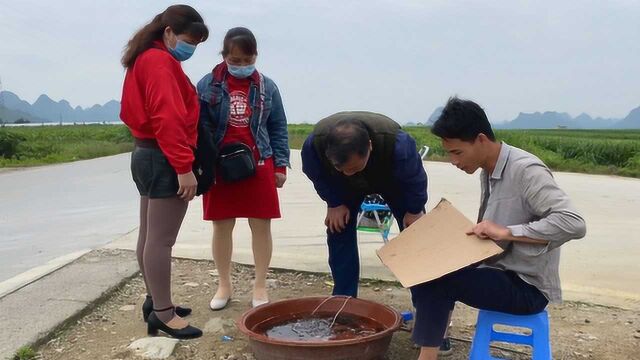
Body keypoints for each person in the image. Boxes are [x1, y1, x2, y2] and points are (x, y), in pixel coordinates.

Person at [410, 97, 587, 360]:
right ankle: (437, 337)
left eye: (457, 152)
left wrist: (507, 232)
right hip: (498, 270)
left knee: (436, 281)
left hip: (527, 287)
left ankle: (429, 353)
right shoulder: (489, 168)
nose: (453, 162)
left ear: (481, 139)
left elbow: (574, 223)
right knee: (425, 265)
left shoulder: (526, 170)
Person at [119, 4, 208, 339]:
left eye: (197, 45)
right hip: (163, 157)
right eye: (189, 41)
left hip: (145, 154)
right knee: (161, 240)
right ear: (168, 32)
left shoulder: (145, 57)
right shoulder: (159, 62)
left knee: (148, 233)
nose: (191, 49)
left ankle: (154, 300)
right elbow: (167, 118)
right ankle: (163, 314)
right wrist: (184, 168)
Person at [196, 27, 290, 310]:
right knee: (221, 225)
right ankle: (224, 284)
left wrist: (281, 165)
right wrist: (201, 165)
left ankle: (260, 284)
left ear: (255, 56)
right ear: (224, 56)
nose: (240, 65)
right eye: (234, 60)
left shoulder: (267, 86)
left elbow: (278, 126)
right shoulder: (207, 85)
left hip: (260, 160)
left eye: (246, 60)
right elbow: (197, 128)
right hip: (221, 164)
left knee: (261, 224)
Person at [301, 111, 428, 297]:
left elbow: (414, 178)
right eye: (341, 168)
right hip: (342, 187)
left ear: (369, 146)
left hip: (390, 177)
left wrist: (415, 209)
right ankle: (344, 299)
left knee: (416, 231)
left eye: (353, 168)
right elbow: (316, 173)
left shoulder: (397, 145)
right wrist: (334, 202)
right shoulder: (315, 146)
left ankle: (425, 300)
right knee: (338, 227)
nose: (348, 173)